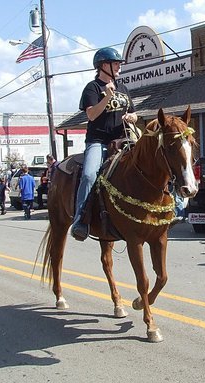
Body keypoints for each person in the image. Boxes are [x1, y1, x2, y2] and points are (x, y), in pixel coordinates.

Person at [71, 47, 137, 241]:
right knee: (90, 175)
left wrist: (133, 116)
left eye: (118, 63)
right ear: (103, 65)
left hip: (123, 140)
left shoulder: (123, 88)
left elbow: (133, 111)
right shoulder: (93, 88)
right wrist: (107, 97)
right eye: (115, 63)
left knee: (149, 161)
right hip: (99, 141)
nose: (119, 66)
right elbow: (91, 115)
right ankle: (80, 219)